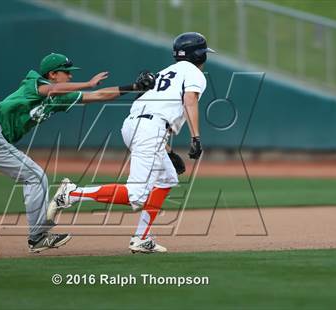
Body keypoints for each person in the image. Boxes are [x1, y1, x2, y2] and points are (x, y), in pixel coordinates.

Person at [0, 52, 155, 253]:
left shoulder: (59, 97)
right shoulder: (33, 82)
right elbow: (52, 89)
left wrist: (133, 87)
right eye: (67, 71)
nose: (71, 75)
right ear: (53, 74)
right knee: (34, 177)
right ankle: (38, 237)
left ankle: (38, 236)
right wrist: (87, 83)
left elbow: (98, 96)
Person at [47, 32, 215, 253]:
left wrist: (169, 151)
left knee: (166, 179)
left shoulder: (164, 72)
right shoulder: (194, 73)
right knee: (137, 195)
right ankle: (71, 193)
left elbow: (152, 112)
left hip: (137, 125)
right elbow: (189, 100)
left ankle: (142, 238)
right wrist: (196, 137)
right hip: (149, 129)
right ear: (200, 56)